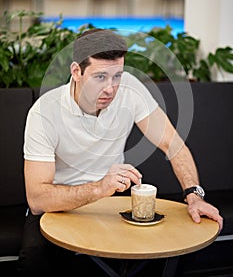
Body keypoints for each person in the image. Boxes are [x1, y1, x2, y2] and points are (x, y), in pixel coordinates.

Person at [17, 28, 223, 274]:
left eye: (117, 76)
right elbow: (38, 199)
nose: (111, 88)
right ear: (76, 72)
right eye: (100, 77)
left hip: (110, 204)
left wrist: (194, 196)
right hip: (56, 208)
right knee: (34, 260)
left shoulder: (130, 90)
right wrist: (99, 187)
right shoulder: (45, 112)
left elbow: (173, 144)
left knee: (163, 252)